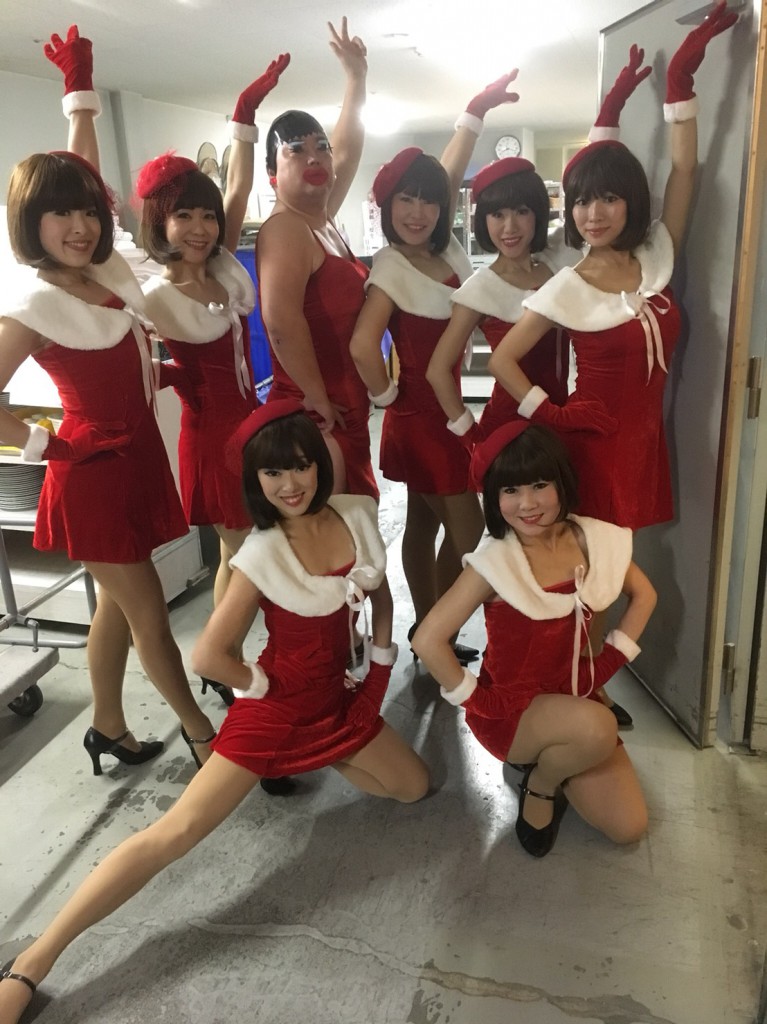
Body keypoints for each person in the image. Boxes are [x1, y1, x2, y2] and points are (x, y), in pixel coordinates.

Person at [0, 400, 429, 1023]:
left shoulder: (355, 515)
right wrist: (262, 685)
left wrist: (378, 674)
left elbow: (381, 595)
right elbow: (208, 655)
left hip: (337, 703)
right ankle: (31, 963)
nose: (290, 484)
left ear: (319, 464)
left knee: (413, 786)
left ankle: (321, 752)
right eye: (272, 473)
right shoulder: (260, 553)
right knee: (173, 835)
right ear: (255, 480)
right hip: (274, 712)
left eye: (300, 466)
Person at [486, 5, 737, 723]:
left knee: (608, 569)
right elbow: (504, 359)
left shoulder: (654, 255)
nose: (592, 213)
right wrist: (555, 414)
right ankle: (574, 692)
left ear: (630, 204)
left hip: (642, 443)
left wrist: (681, 81)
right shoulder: (568, 284)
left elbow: (684, 167)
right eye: (580, 201)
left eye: (607, 198)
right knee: (589, 574)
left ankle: (584, 685)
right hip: (590, 446)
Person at [0, 25, 216, 774]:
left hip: (135, 461)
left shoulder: (103, 274)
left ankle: (108, 725)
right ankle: (202, 734)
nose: (80, 225)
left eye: (88, 212)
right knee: (149, 614)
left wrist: (80, 94)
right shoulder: (32, 307)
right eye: (61, 214)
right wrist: (51, 444)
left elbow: (82, 173)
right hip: (89, 475)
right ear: (31, 223)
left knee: (118, 610)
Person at [412, 421, 655, 858]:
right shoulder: (496, 560)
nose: (527, 504)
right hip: (513, 711)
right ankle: (540, 783)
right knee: (599, 726)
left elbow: (645, 595)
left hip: (574, 699)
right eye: (511, 490)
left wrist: (605, 665)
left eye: (540, 485)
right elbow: (429, 639)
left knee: (629, 826)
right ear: (494, 497)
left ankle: (559, 756)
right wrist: (478, 700)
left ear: (561, 482)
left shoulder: (592, 539)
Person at [348, 74, 519, 660]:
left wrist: (474, 112)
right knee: (473, 537)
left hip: (443, 411)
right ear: (386, 206)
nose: (418, 211)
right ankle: (437, 633)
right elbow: (363, 346)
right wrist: (386, 396)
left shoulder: (444, 246)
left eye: (428, 200)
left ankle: (427, 627)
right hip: (424, 419)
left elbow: (448, 170)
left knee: (425, 525)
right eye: (406, 200)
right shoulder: (390, 268)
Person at [135, 55, 289, 697]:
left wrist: (246, 114)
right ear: (160, 223)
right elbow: (129, 360)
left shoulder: (223, 266)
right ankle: (223, 657)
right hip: (212, 438)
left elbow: (240, 184)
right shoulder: (155, 296)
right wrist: (168, 374)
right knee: (244, 552)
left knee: (244, 550)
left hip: (252, 425)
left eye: (206, 216)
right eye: (184, 217)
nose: (200, 228)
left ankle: (223, 655)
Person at [256, 18, 378, 499]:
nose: (315, 158)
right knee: (337, 528)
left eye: (319, 148)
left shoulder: (321, 219)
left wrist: (356, 79)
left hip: (342, 398)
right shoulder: (286, 228)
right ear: (272, 174)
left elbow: (347, 150)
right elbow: (281, 322)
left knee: (356, 519)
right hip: (316, 409)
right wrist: (316, 397)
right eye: (296, 151)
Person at [426, 155, 573, 446]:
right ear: (484, 220)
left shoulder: (555, 267)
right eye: (497, 215)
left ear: (537, 213)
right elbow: (437, 371)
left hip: (558, 419)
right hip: (509, 432)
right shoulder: (480, 289)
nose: (509, 227)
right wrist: (473, 437)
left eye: (521, 211)